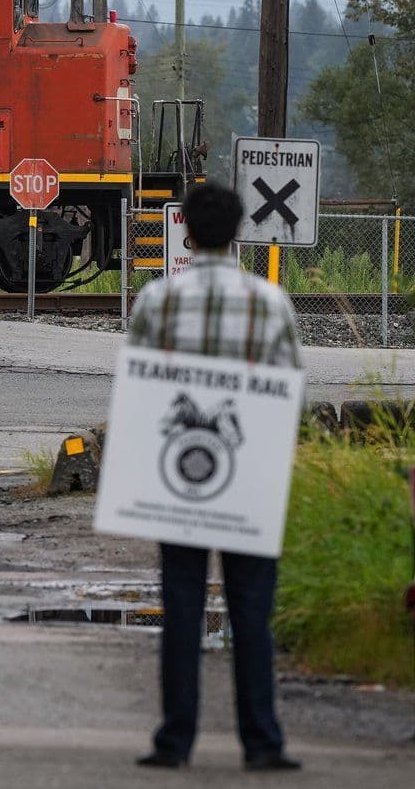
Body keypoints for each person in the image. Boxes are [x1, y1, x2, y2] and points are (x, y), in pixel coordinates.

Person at [128, 183, 303, 773]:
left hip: (180, 474)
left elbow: (141, 392)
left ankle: (175, 740)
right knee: (251, 608)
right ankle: (262, 741)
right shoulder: (270, 303)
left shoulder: (157, 300)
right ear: (238, 233)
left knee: (181, 603)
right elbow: (287, 395)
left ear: (186, 232)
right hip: (247, 473)